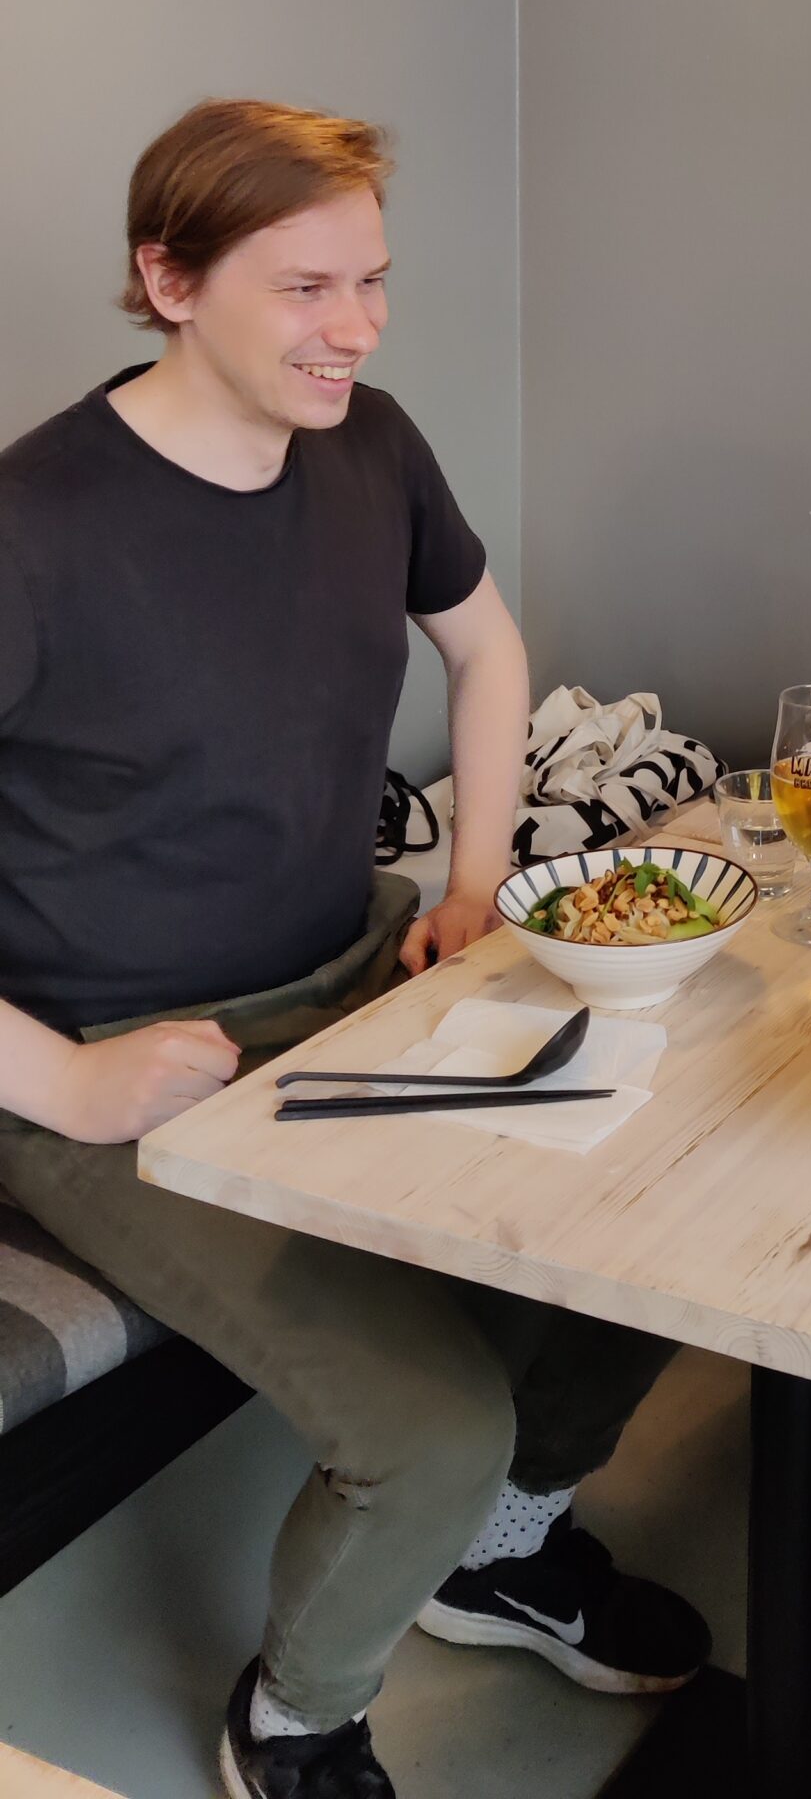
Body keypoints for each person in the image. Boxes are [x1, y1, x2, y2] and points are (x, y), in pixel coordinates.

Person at [0, 100, 708, 1799]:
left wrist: (472, 882)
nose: (360, 328)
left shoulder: (370, 444)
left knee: (661, 1221)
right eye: (308, 287)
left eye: (374, 280)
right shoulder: (33, 524)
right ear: (170, 281)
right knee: (429, 1428)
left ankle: (499, 1552)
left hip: (352, 972)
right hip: (117, 1052)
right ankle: (298, 1719)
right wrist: (71, 1086)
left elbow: (485, 650)